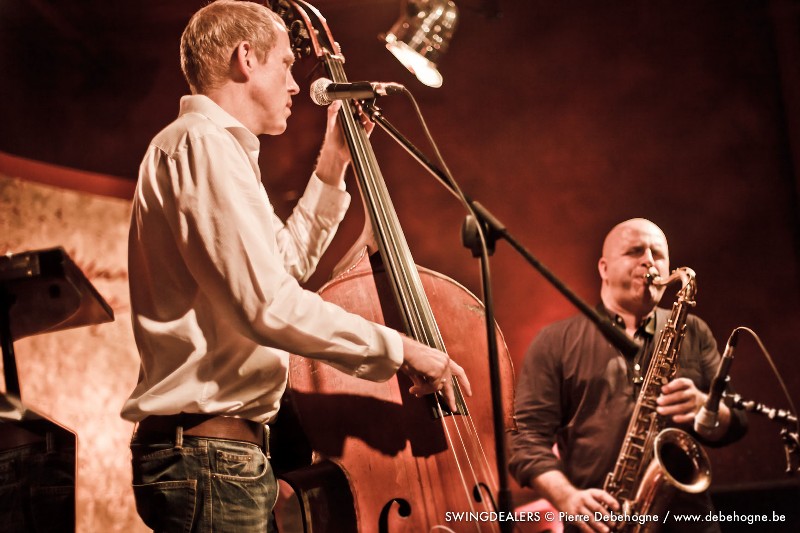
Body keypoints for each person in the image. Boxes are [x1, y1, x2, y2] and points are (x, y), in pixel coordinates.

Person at [120, 1, 469, 531]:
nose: (293, 85)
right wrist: (403, 348)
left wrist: (332, 166)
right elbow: (268, 305)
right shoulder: (201, 144)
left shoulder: (217, 150)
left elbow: (283, 269)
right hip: (210, 457)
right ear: (246, 59)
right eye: (285, 64)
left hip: (222, 455)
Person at [508, 218, 746, 533]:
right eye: (635, 251)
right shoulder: (555, 341)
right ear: (604, 268)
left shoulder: (695, 329)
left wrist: (708, 408)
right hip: (599, 523)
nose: (649, 260)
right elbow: (526, 440)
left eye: (658, 254)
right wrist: (567, 497)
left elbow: (737, 421)